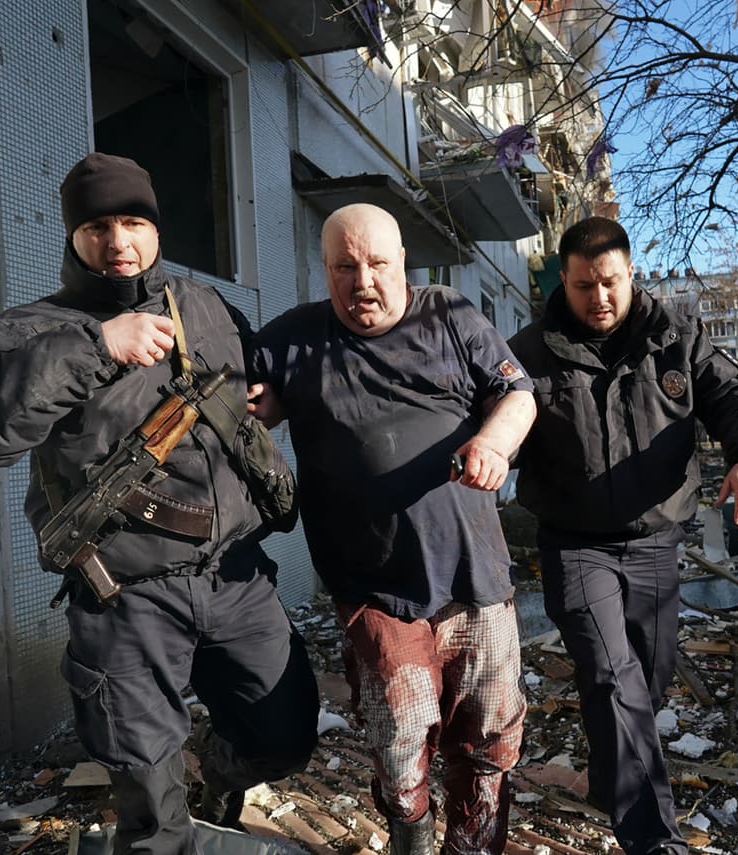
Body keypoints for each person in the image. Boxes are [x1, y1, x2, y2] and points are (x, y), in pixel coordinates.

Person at [0, 153, 319, 853]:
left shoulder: (205, 305)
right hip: (124, 599)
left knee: (283, 736)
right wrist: (95, 346)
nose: (118, 242)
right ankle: (168, 815)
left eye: (134, 221)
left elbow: (255, 370)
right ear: (74, 236)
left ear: (156, 228)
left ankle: (217, 776)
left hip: (235, 578)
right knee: (151, 816)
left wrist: (272, 395)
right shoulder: (29, 328)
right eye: (98, 225)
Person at [248, 203, 536, 854]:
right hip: (374, 588)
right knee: (401, 731)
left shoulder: (452, 315)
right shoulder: (297, 338)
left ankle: (474, 842)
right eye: (344, 266)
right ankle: (410, 825)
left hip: (475, 578)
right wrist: (246, 407)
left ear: (402, 260)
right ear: (324, 269)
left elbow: (519, 394)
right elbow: (229, 393)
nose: (363, 281)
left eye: (377, 263)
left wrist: (493, 441)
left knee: (490, 732)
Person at [507, 216, 738, 855]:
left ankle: (610, 781)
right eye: (582, 286)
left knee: (645, 684)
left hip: (657, 542)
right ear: (563, 282)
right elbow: (488, 420)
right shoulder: (528, 352)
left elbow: (734, 395)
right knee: (610, 673)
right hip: (575, 546)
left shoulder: (676, 337)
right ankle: (654, 838)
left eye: (609, 283)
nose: (598, 298)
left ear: (630, 274)